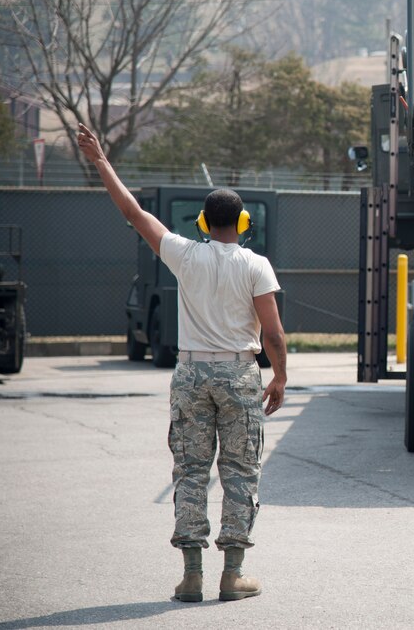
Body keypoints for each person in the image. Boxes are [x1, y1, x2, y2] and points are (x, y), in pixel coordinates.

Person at [77, 123, 287, 604]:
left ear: (201, 221)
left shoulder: (183, 254)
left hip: (191, 373)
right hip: (239, 373)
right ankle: (232, 575)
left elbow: (134, 212)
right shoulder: (256, 265)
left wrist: (101, 162)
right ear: (242, 222)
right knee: (240, 471)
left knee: (191, 471)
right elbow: (272, 332)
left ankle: (191, 575)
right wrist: (280, 376)